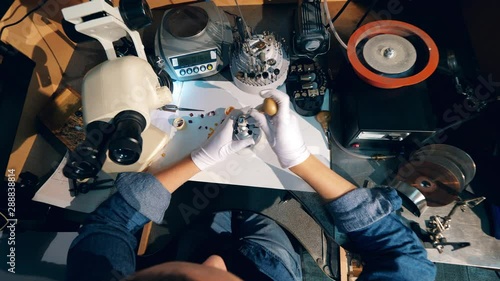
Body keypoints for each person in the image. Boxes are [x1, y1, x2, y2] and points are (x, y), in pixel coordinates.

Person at [66, 90, 436, 281]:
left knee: (213, 228)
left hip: (195, 234)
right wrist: (300, 161)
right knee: (265, 230)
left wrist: (200, 159)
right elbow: (407, 263)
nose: (217, 260)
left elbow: (108, 227)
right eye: (223, 277)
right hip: (271, 265)